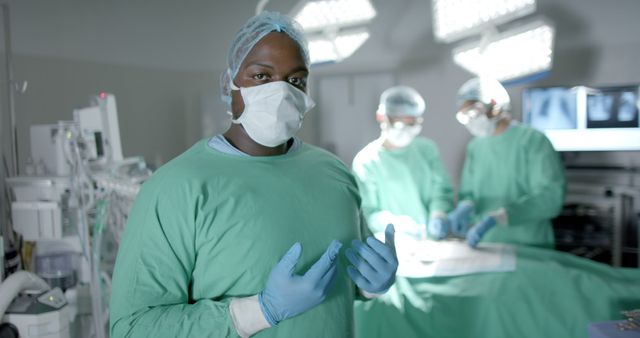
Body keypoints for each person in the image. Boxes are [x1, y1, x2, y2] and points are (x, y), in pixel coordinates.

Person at [109, 12, 397, 338]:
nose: (281, 92)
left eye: (296, 80)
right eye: (261, 76)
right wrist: (259, 311)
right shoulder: (175, 188)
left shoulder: (334, 173)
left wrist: (371, 285)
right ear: (229, 84)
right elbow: (131, 328)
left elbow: (342, 283)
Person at [449, 77, 566, 248]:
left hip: (530, 245)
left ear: (494, 107)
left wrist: (502, 216)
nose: (471, 121)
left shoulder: (533, 141)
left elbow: (550, 198)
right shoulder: (476, 146)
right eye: (465, 116)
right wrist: (466, 206)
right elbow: (469, 193)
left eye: (473, 113)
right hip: (487, 242)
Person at [352, 86, 454, 241]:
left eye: (411, 123)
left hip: (430, 242)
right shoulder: (366, 161)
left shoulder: (426, 149)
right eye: (398, 122)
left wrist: (438, 213)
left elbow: (441, 191)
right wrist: (395, 224)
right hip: (392, 244)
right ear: (381, 117)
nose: (404, 129)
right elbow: (366, 212)